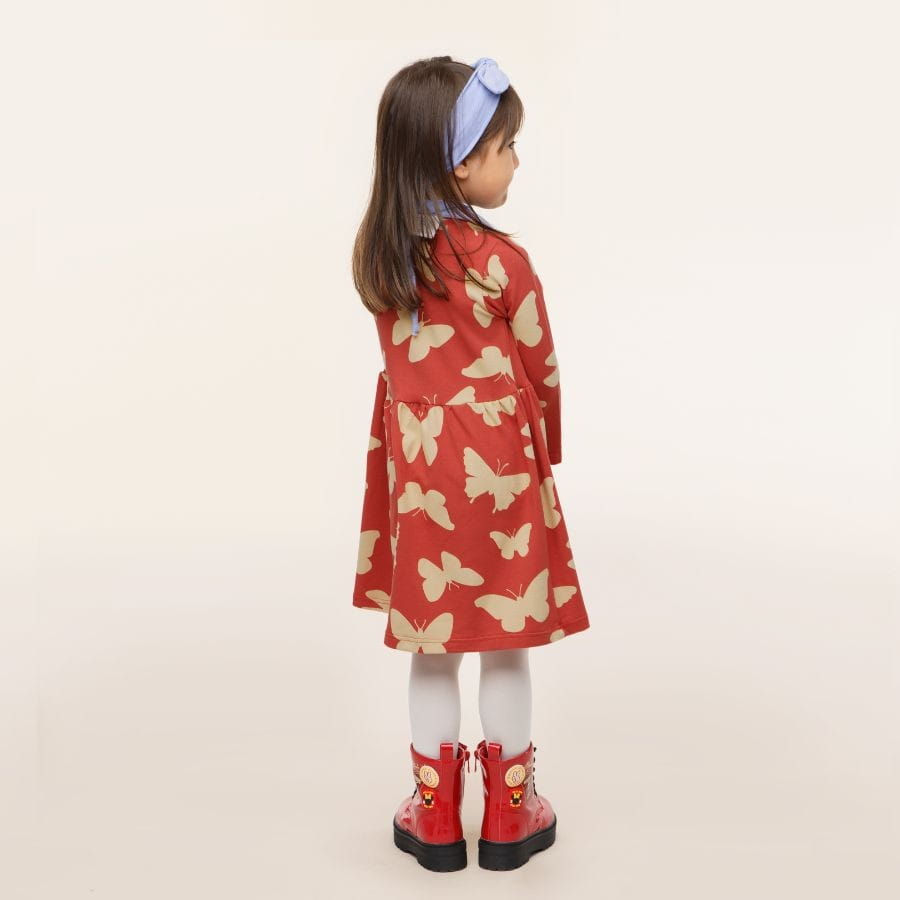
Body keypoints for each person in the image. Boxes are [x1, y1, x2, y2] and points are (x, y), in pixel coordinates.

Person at [350, 55, 591, 872]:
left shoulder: (383, 259)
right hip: (499, 470)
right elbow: (541, 368)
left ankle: (435, 813)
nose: (516, 160)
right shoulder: (500, 264)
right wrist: (546, 450)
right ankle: (513, 814)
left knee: (434, 644)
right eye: (506, 145)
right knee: (504, 637)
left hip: (419, 474)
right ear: (460, 162)